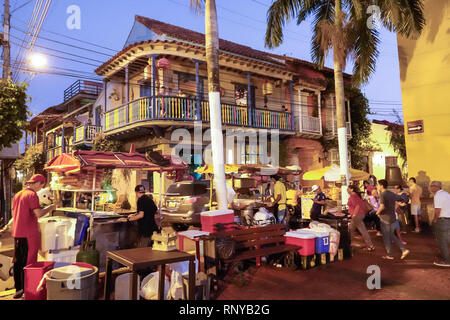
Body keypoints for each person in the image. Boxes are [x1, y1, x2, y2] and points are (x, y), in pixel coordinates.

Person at [11, 174, 57, 299]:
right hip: (28, 235)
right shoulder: (32, 195)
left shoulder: (17, 195)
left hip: (17, 234)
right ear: (38, 183)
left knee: (18, 262)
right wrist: (51, 207)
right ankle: (28, 292)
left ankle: (18, 289)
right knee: (28, 263)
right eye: (42, 185)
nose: (41, 188)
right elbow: (39, 214)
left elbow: (17, 213)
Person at [376, 179, 410, 260]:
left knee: (386, 237)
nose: (377, 186)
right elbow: (402, 199)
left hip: (385, 218)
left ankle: (390, 254)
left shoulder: (383, 194)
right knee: (391, 235)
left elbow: (382, 206)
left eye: (378, 185)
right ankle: (403, 249)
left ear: (381, 185)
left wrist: (377, 213)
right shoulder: (391, 193)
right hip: (392, 217)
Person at [429, 181, 450, 267]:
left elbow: (438, 210)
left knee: (442, 241)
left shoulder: (437, 195)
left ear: (436, 187)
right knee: (448, 239)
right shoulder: (446, 194)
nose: (430, 188)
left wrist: (434, 220)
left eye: (432, 186)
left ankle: (447, 261)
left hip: (442, 220)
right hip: (448, 219)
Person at [347, 185, 375, 251]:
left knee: (361, 230)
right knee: (351, 229)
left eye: (348, 189)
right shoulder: (357, 196)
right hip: (360, 214)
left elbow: (357, 206)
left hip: (357, 215)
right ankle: (348, 244)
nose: (347, 190)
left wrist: (354, 215)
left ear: (352, 189)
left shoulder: (353, 196)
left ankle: (370, 245)